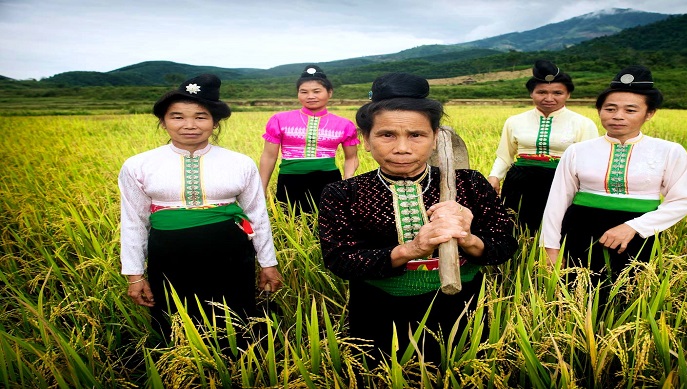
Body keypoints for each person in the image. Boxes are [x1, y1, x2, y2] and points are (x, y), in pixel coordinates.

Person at [318, 72, 518, 369]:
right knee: (383, 373)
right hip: (380, 312)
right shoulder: (343, 193)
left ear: (435, 137)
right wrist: (411, 249)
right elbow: (340, 260)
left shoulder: (471, 184)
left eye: (416, 135)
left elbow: (505, 245)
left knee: (459, 371)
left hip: (460, 307)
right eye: (387, 135)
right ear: (366, 140)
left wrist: (468, 237)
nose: (402, 147)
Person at [119, 74, 283, 341]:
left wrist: (268, 263)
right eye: (177, 116)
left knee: (234, 320)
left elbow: (257, 216)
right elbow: (133, 221)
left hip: (230, 253)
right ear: (163, 121)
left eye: (200, 116)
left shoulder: (240, 163)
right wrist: (135, 275)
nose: (189, 125)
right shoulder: (138, 165)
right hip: (169, 254)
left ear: (215, 122)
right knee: (175, 318)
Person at [541, 65, 687, 300]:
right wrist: (550, 246)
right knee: (577, 295)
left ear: (649, 113)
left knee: (630, 296)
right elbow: (558, 200)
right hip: (581, 230)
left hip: (639, 235)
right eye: (610, 108)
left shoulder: (669, 151)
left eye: (630, 110)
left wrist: (633, 227)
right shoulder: (577, 151)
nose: (618, 116)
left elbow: (682, 201)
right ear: (599, 110)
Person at [487, 60, 599, 233]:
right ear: (531, 93)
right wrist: (494, 177)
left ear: (568, 94)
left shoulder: (583, 123)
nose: (549, 98)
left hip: (562, 181)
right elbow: (505, 155)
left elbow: (590, 162)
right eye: (542, 92)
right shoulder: (514, 121)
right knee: (516, 227)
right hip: (520, 182)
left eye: (557, 93)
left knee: (558, 228)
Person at [259, 65, 360, 214]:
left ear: (330, 93)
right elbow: (269, 156)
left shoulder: (344, 124)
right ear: (298, 94)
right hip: (289, 181)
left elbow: (351, 157)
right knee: (289, 222)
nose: (310, 96)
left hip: (328, 181)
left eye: (316, 91)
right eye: (304, 92)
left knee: (329, 224)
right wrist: (261, 187)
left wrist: (347, 181)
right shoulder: (279, 120)